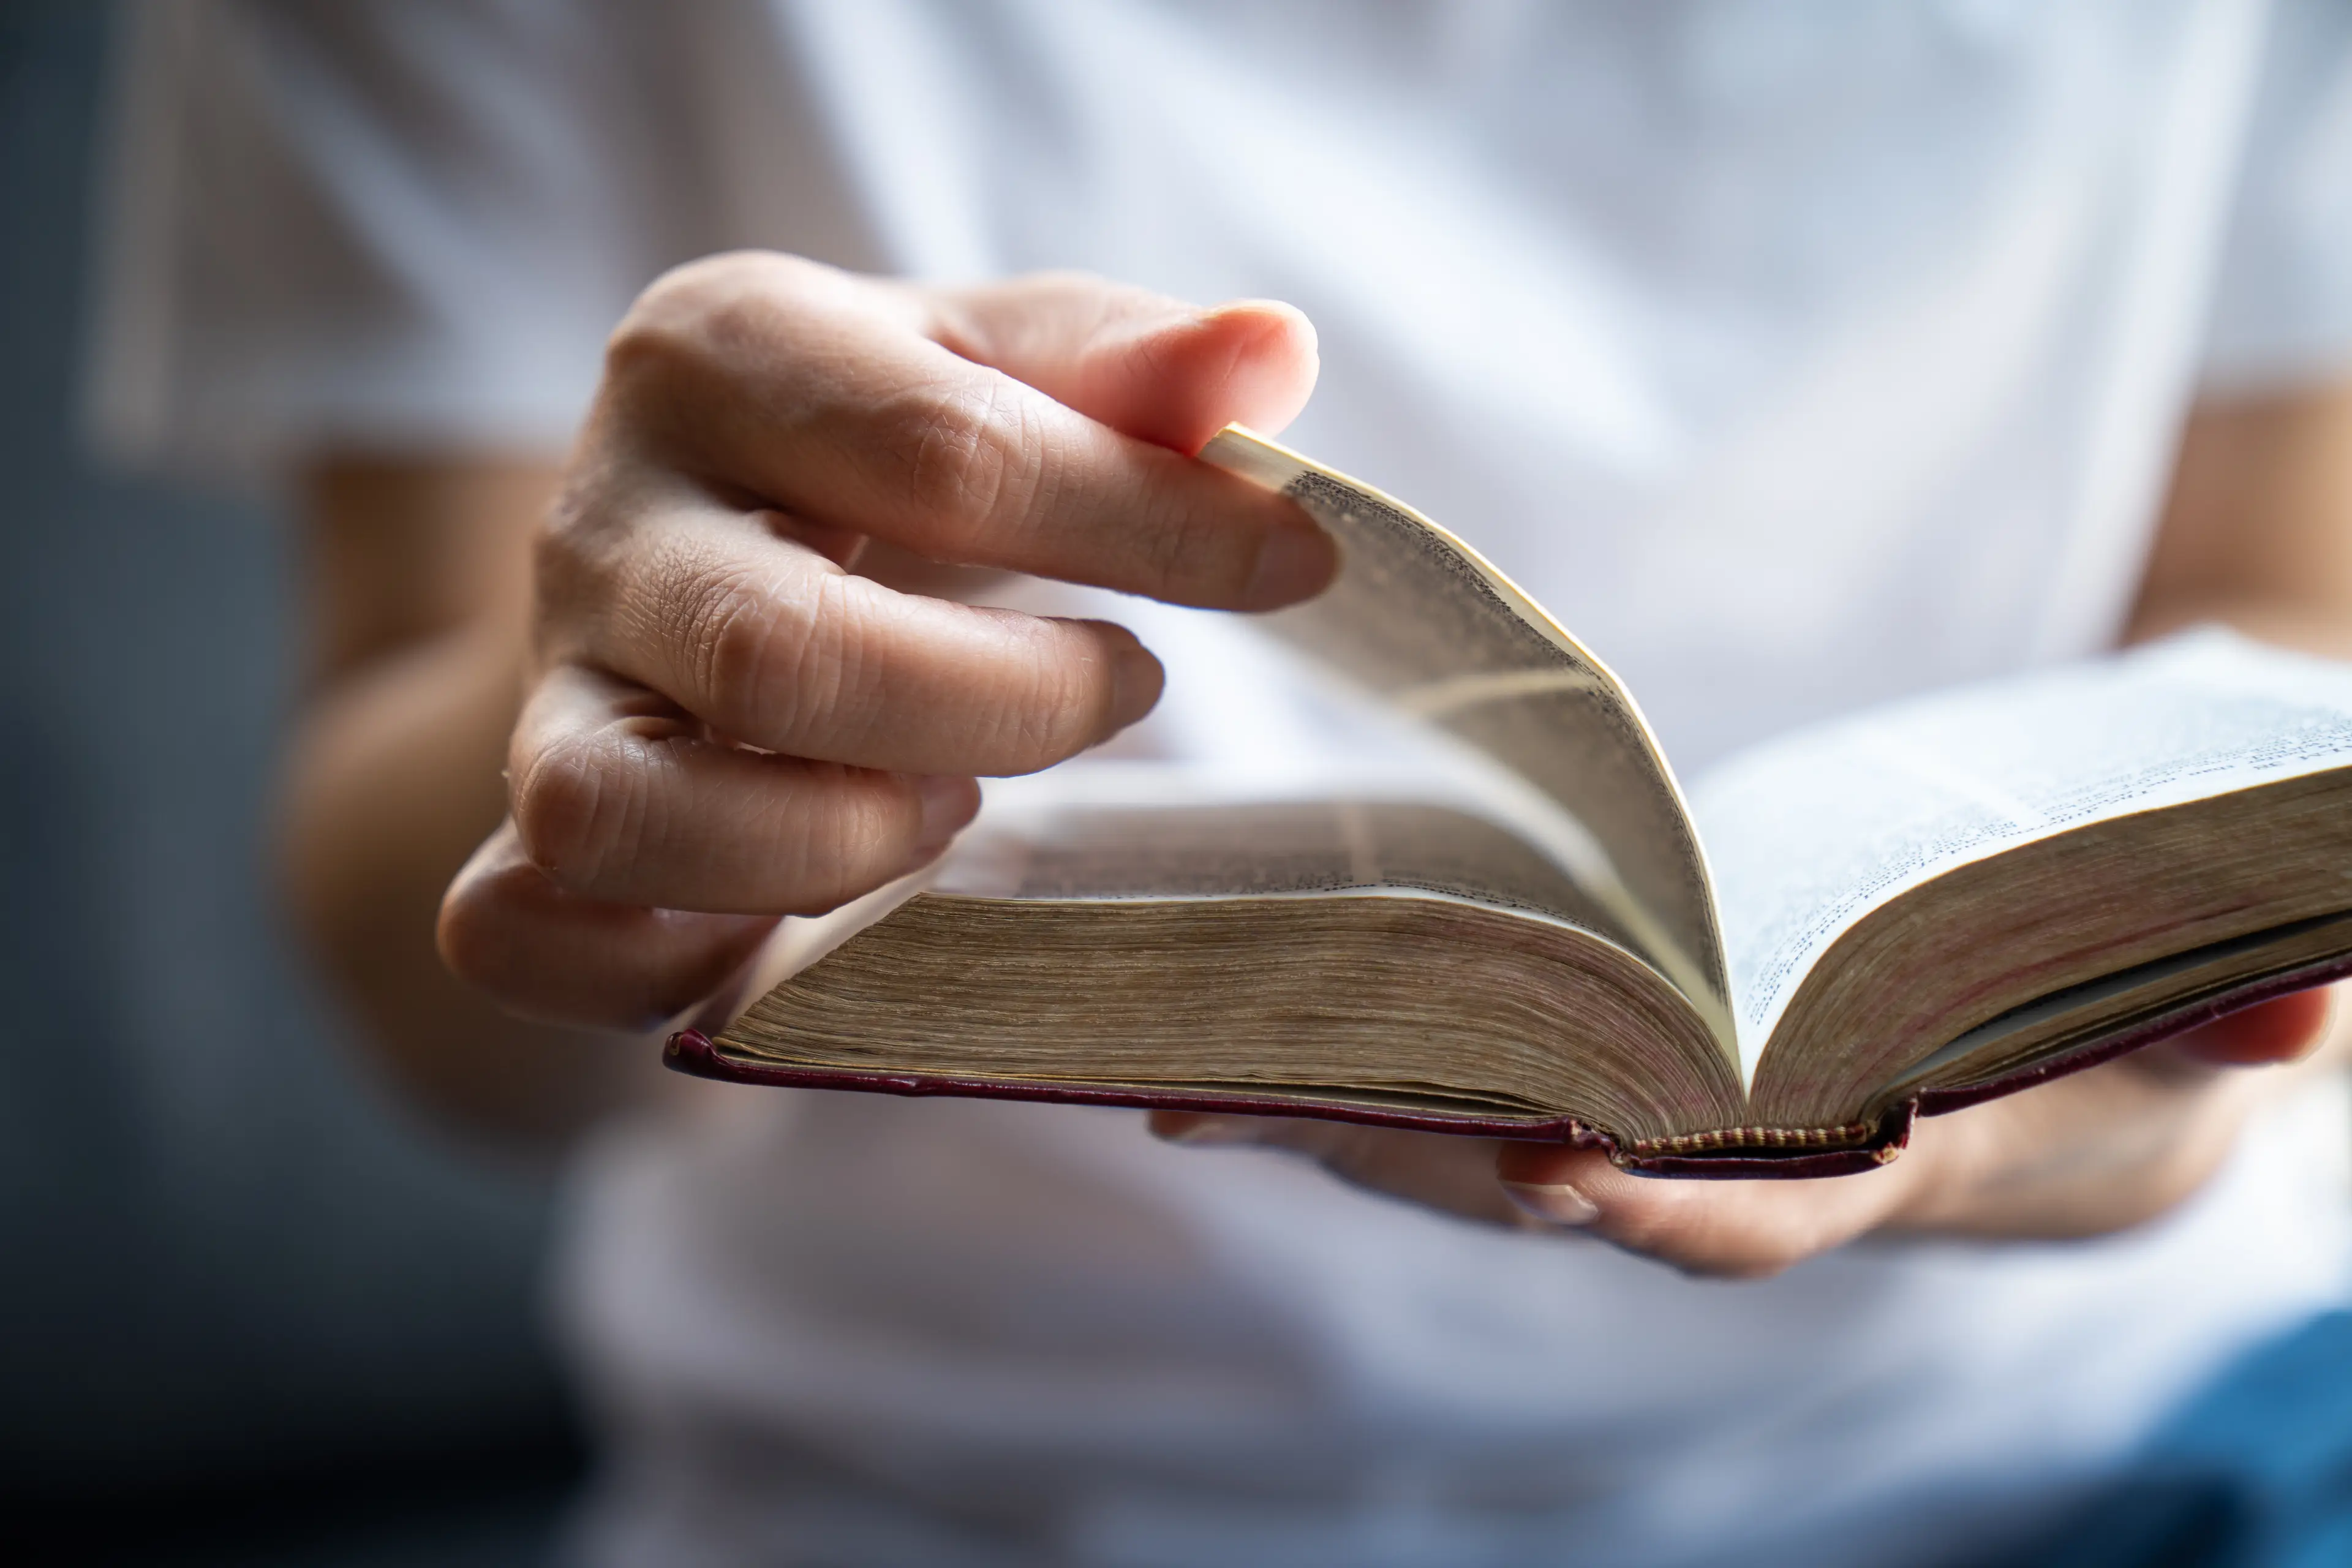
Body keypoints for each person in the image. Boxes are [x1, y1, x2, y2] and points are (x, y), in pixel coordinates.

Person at [94, 1, 2352, 1562]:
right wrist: (637, 787)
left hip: (2141, 1440)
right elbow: (422, 964)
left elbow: (2287, 618)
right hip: (957, 1499)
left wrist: (2143, 1060)